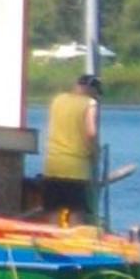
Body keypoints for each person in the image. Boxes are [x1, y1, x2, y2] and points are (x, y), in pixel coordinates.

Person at [40, 73, 102, 221]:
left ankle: (51, 241)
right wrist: (95, 152)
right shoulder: (90, 103)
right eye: (96, 92)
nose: (97, 96)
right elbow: (91, 132)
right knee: (76, 212)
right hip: (76, 168)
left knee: (52, 211)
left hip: (52, 165)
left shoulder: (57, 100)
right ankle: (76, 240)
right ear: (90, 88)